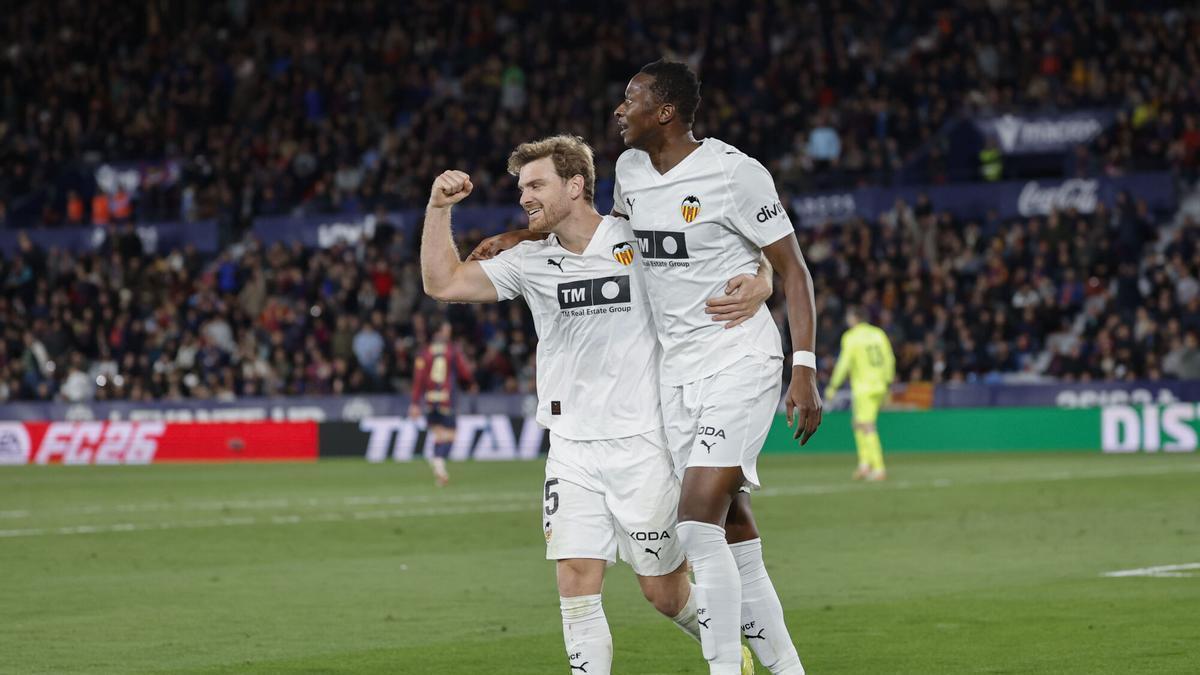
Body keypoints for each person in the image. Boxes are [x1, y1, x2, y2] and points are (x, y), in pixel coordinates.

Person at [472, 59, 822, 675]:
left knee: (696, 523)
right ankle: (785, 668)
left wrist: (803, 365)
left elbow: (791, 267)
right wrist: (517, 237)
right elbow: (613, 242)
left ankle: (724, 670)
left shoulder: (735, 173)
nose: (618, 109)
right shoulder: (631, 171)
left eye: (630, 99)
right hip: (676, 372)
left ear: (664, 112)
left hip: (739, 353)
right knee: (733, 523)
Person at [421, 135, 766, 674]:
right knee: (575, 582)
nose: (524, 198)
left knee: (663, 593)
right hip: (572, 449)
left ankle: (728, 644)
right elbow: (442, 283)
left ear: (576, 185)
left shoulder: (638, 240)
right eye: (520, 189)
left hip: (646, 445)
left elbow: (728, 252)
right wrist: (439, 208)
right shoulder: (530, 261)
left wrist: (764, 280)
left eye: (536, 185)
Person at [824, 306, 895, 481]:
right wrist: (888, 383)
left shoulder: (852, 337)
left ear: (855, 318)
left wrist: (833, 385)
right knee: (857, 423)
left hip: (864, 386)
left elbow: (844, 363)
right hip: (879, 385)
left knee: (866, 425)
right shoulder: (878, 333)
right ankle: (864, 465)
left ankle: (878, 468)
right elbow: (889, 359)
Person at [409, 322, 474, 486]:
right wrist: (470, 381)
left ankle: (439, 467)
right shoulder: (452, 350)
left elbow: (419, 379)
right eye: (447, 330)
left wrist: (415, 403)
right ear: (439, 332)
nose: (449, 333)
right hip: (446, 399)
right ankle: (438, 461)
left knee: (438, 434)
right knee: (451, 434)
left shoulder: (424, 353)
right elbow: (465, 372)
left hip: (430, 399)